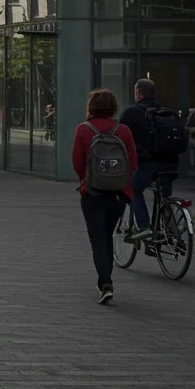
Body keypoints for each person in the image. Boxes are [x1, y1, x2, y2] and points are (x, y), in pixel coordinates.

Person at [72, 88, 138, 305]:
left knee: (98, 239)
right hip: (119, 194)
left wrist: (89, 178)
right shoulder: (124, 130)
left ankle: (105, 282)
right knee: (107, 236)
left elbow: (77, 162)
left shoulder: (83, 130)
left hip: (92, 193)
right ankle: (105, 281)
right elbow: (133, 162)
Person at [119, 78, 184, 240]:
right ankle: (170, 228)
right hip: (171, 165)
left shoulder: (131, 112)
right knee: (164, 195)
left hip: (147, 164)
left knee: (131, 191)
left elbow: (118, 138)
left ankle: (144, 226)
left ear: (138, 93)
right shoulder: (167, 112)